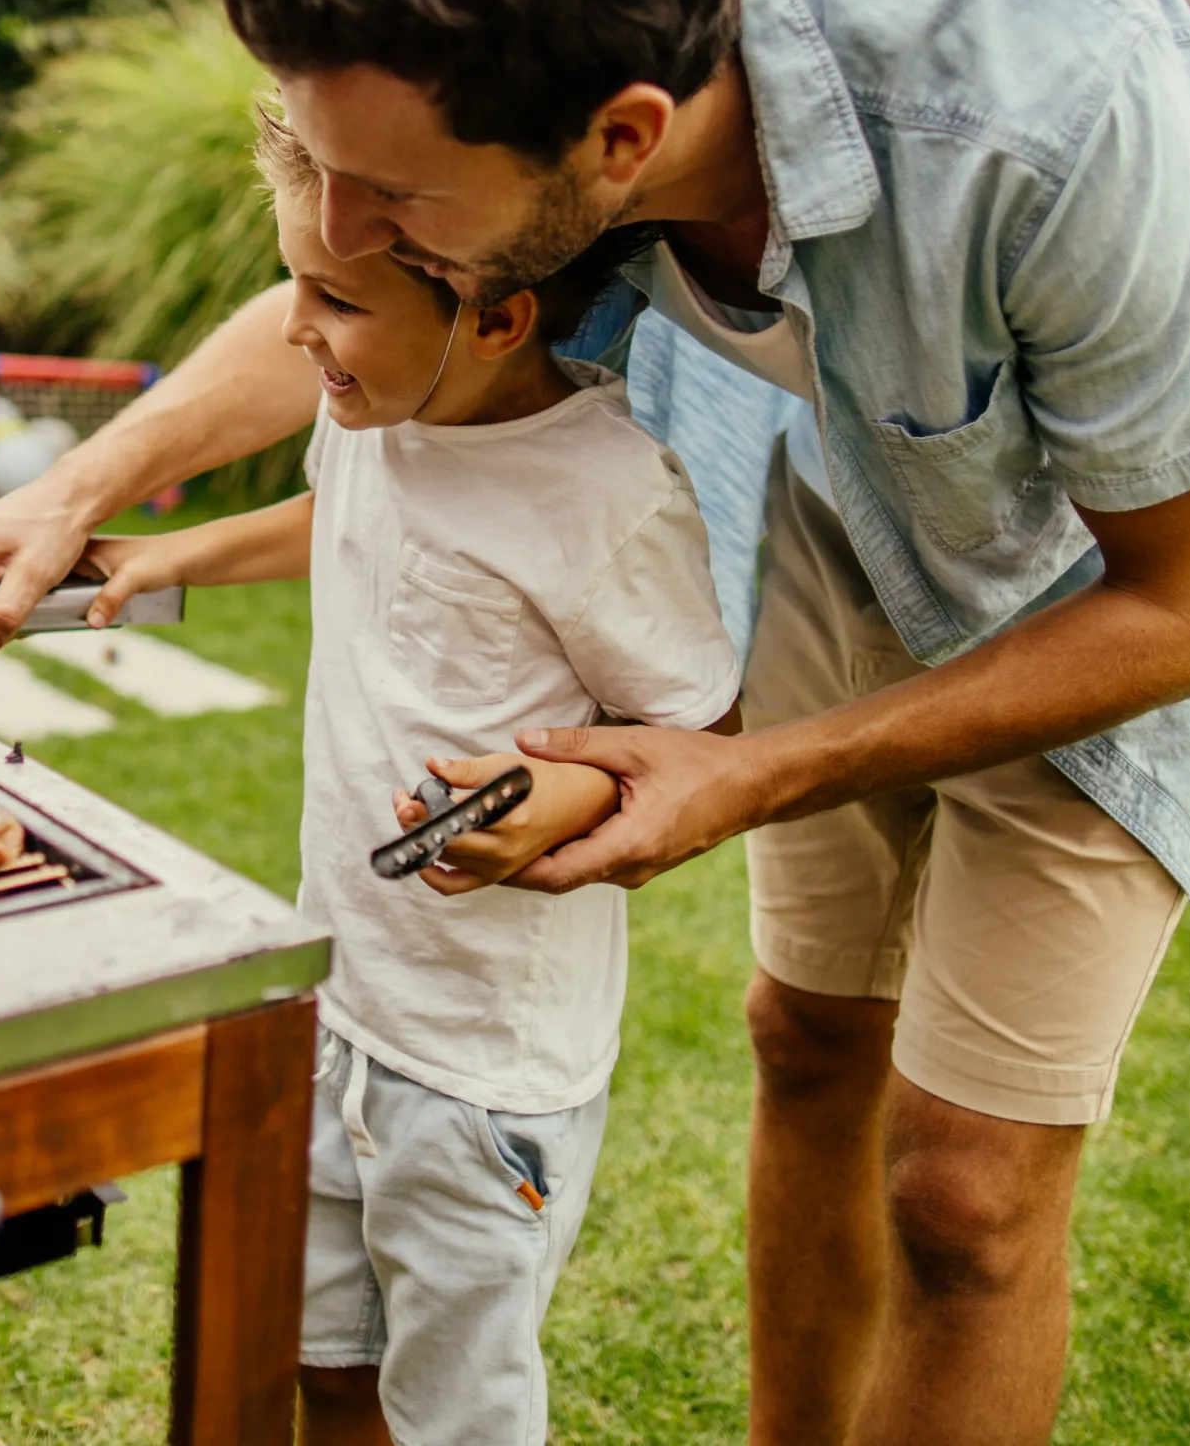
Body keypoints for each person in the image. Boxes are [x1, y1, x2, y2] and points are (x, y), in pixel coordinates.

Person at [0, 0, 1190, 1446]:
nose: (339, 240)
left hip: (1100, 582)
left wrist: (755, 766)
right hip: (828, 506)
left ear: (621, 145)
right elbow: (360, 301)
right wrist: (83, 484)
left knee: (965, 1195)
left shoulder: (1047, 103)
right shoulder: (527, 19)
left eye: (390, 199)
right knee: (806, 1039)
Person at [83, 113, 738, 1446]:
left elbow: (700, 735)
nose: (297, 330)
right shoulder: (378, 410)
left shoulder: (607, 494)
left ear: (494, 318)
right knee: (324, 1360)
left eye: (333, 299)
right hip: (343, 998)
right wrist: (178, 554)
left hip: (481, 1068)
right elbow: (348, 521)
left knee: (452, 1411)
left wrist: (560, 802)